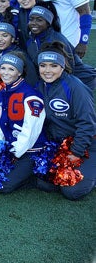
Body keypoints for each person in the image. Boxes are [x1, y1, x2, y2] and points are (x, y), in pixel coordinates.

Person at [35, 43, 95, 200]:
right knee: (44, 183)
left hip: (86, 146)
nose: (47, 71)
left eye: (54, 65)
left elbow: (87, 124)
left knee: (72, 191)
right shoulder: (40, 86)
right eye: (43, 65)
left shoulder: (75, 87)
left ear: (63, 66)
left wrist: (76, 152)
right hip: (61, 145)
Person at [0, 53, 46, 193]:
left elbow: (31, 131)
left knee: (2, 186)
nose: (6, 72)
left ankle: (35, 178)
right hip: (11, 147)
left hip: (30, 150)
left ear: (20, 72)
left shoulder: (30, 95)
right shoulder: (1, 93)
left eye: (11, 69)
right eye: (3, 68)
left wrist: (15, 152)